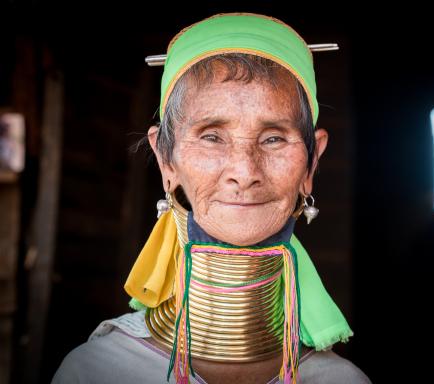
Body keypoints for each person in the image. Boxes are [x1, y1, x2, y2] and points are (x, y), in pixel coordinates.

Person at [52, 13, 371, 384]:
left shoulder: (341, 381)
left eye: (274, 138)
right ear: (165, 160)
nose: (245, 171)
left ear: (311, 161)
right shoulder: (95, 372)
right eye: (211, 137)